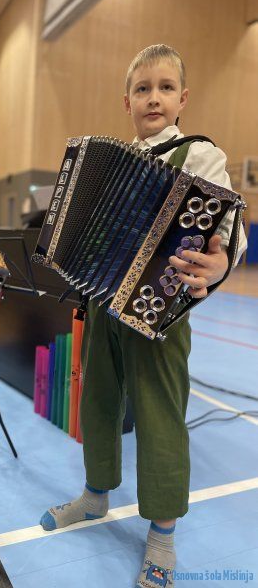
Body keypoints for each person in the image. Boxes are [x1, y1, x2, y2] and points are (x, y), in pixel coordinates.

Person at [39, 45, 247, 587]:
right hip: (103, 304)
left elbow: (230, 231)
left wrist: (222, 262)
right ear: (127, 101)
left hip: (162, 313)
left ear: (183, 98)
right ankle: (95, 495)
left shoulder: (201, 155)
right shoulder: (113, 159)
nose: (153, 97)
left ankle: (162, 535)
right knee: (97, 401)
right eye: (142, 89)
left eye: (165, 87)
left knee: (159, 414)